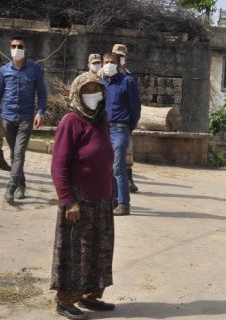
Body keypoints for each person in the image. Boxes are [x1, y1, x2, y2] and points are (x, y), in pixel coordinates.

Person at [50, 72, 116, 319]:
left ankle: (89, 296)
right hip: (79, 201)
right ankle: (65, 301)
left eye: (95, 90)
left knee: (99, 250)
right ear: (77, 94)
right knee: (75, 253)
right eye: (86, 90)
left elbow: (106, 159)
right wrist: (68, 200)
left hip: (102, 200)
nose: (92, 95)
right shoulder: (71, 121)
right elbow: (59, 164)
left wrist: (113, 192)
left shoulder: (102, 120)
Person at [1, 36, 47, 202]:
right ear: (10, 48)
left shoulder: (35, 69)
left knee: (19, 153)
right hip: (7, 117)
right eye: (14, 45)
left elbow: (42, 93)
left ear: (25, 48)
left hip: (26, 118)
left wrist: (40, 112)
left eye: (20, 46)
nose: (17, 48)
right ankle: (22, 184)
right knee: (14, 154)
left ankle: (11, 188)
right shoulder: (4, 70)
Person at [103, 53, 141, 216]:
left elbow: (135, 109)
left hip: (120, 129)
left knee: (118, 168)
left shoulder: (127, 82)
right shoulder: (102, 83)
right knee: (107, 168)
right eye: (106, 62)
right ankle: (113, 200)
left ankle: (124, 204)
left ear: (119, 64)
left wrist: (128, 127)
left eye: (112, 62)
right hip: (104, 129)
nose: (108, 65)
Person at [111, 44, 138, 193]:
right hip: (108, 119)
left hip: (124, 120)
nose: (120, 58)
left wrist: (131, 123)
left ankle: (128, 178)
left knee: (127, 151)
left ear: (125, 57)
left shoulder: (128, 75)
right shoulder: (104, 73)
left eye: (122, 56)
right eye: (117, 55)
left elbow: (135, 103)